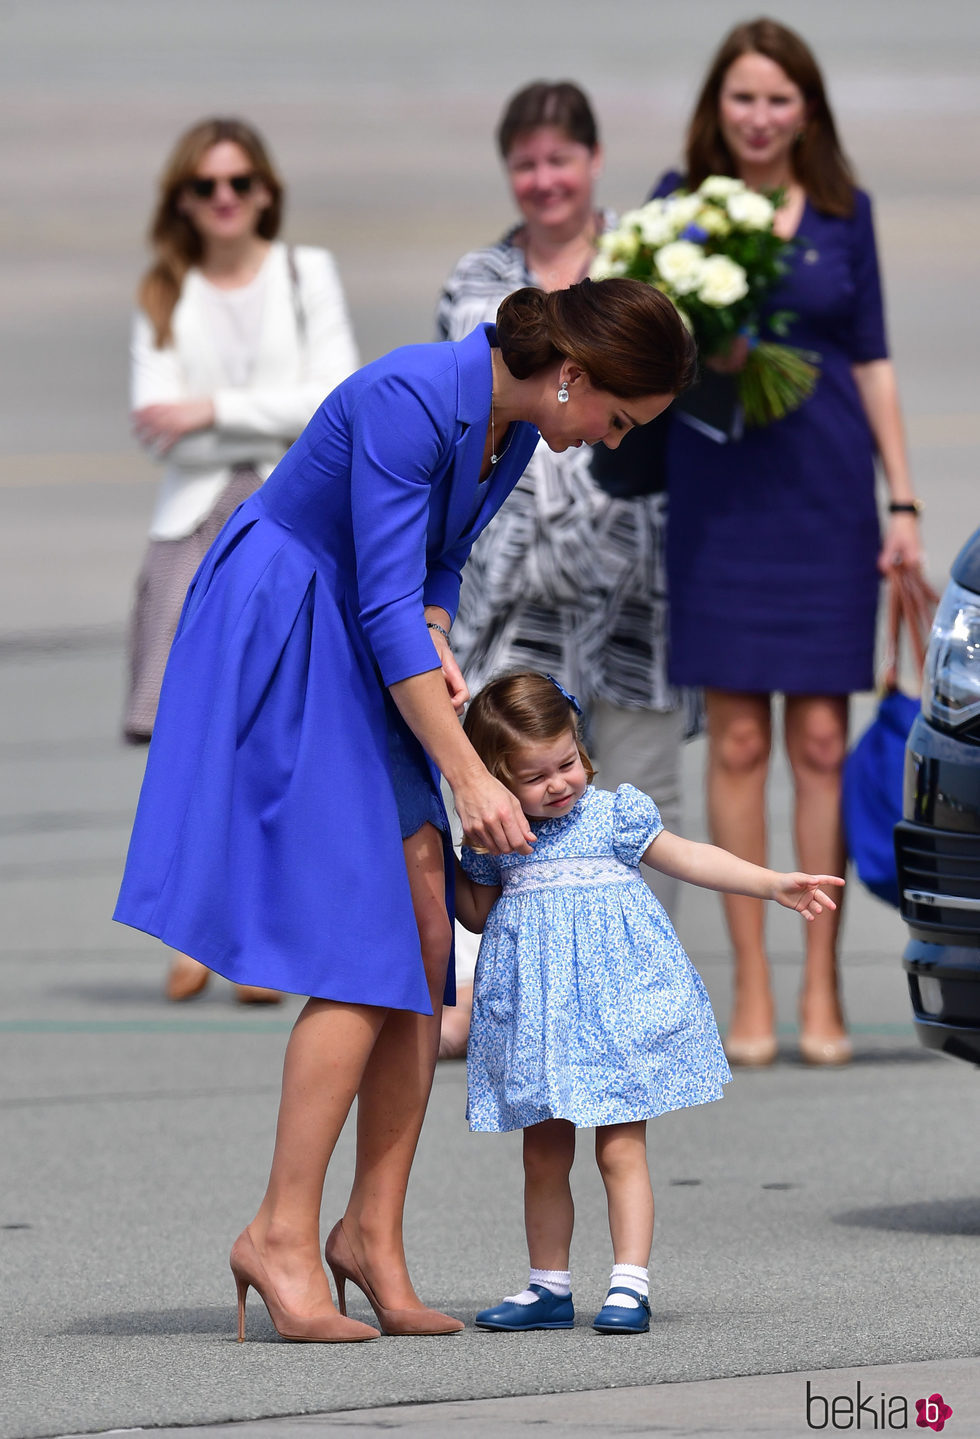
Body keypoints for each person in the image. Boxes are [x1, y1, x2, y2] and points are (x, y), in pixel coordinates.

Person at [114, 277, 697, 1343]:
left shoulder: (516, 427)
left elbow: (428, 572)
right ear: (572, 374)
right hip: (290, 621)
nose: (606, 442)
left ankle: (369, 1234)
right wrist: (467, 772)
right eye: (615, 421)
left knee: (429, 933)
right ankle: (278, 1234)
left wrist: (441, 622)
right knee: (363, 938)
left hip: (368, 635)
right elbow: (376, 594)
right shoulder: (411, 398)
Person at [654, 19, 924, 1066]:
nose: (759, 117)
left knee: (817, 739)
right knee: (734, 741)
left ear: (805, 108)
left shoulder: (845, 215)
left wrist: (900, 503)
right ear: (714, 108)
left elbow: (873, 361)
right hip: (721, 497)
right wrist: (700, 345)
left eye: (777, 98)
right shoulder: (678, 208)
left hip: (823, 494)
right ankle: (751, 990)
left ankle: (819, 985)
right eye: (741, 98)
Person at [454, 672, 843, 1333]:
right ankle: (548, 1284)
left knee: (620, 1150)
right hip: (541, 1023)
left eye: (567, 762)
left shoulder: (613, 814)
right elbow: (472, 914)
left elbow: (689, 856)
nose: (558, 783)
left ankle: (629, 1283)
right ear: (494, 779)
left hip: (614, 1013)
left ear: (582, 745)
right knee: (542, 1154)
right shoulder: (498, 841)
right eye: (533, 775)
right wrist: (439, 849)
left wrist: (771, 882)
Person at [436, 81, 688, 1056]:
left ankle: (631, 995)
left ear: (591, 162)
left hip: (629, 575)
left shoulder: (651, 259)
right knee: (520, 779)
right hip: (509, 577)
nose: (543, 180)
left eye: (559, 160)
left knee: (628, 789)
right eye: (525, 163)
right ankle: (515, 989)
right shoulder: (477, 274)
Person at [122, 116, 359, 1004]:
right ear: (182, 200)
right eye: (205, 187)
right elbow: (154, 421)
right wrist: (246, 412)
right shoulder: (163, 287)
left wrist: (210, 406)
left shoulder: (306, 273)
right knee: (189, 734)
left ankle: (261, 932)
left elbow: (333, 398)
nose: (225, 201)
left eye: (240, 183)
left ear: (266, 189)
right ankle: (194, 933)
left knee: (279, 735)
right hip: (190, 521)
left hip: (290, 513)